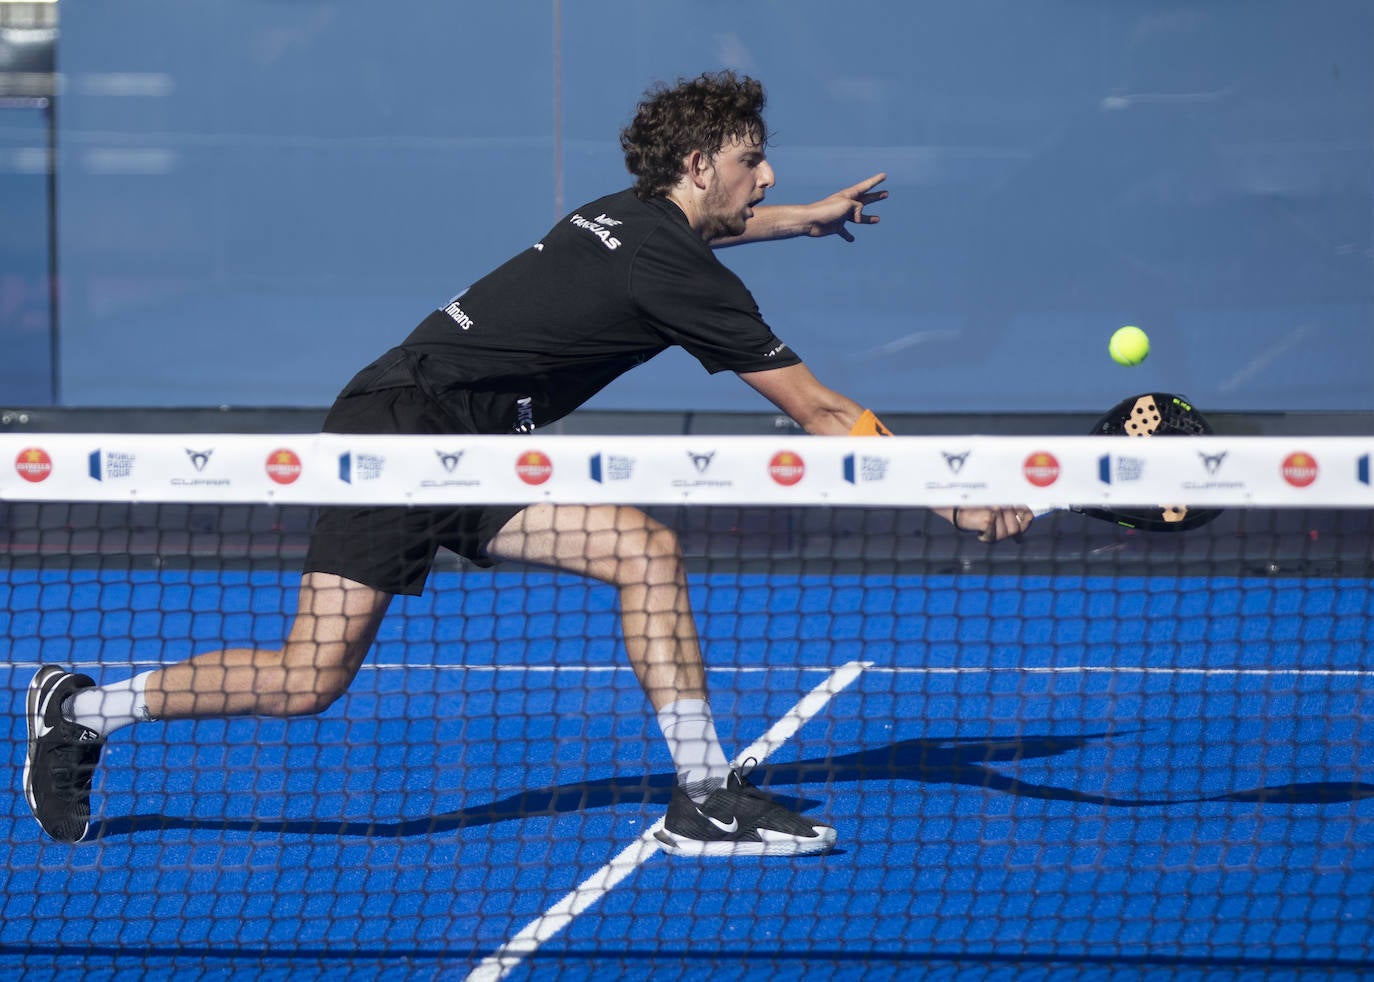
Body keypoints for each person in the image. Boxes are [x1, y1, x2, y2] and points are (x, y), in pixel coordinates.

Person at [25, 70, 1031, 854]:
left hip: (464, 439)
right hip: (402, 436)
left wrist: (800, 217)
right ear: (695, 161)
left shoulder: (631, 212)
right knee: (307, 679)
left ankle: (704, 794)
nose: (763, 176)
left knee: (643, 550)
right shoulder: (677, 265)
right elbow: (821, 408)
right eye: (753, 160)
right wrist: (949, 494)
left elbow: (708, 233)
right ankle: (81, 710)